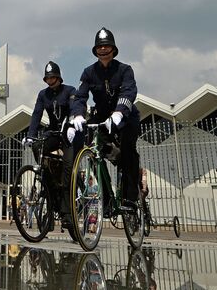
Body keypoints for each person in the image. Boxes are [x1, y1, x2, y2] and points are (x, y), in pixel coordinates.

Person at [71, 27, 141, 212]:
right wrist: (78, 114)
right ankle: (108, 199)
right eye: (99, 47)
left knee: (129, 153)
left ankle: (130, 199)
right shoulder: (88, 72)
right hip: (101, 116)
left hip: (125, 117)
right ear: (95, 50)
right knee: (91, 148)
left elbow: (129, 90)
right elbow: (80, 97)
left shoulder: (125, 69)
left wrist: (119, 111)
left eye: (106, 46)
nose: (103, 49)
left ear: (113, 48)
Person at [24, 61, 81, 225]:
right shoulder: (43, 95)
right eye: (48, 78)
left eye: (53, 77)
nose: (50, 80)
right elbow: (36, 114)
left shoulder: (69, 91)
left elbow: (74, 108)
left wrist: (72, 124)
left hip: (69, 135)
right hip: (54, 133)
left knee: (68, 168)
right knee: (38, 146)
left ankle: (67, 214)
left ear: (59, 77)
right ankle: (49, 177)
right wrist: (30, 135)